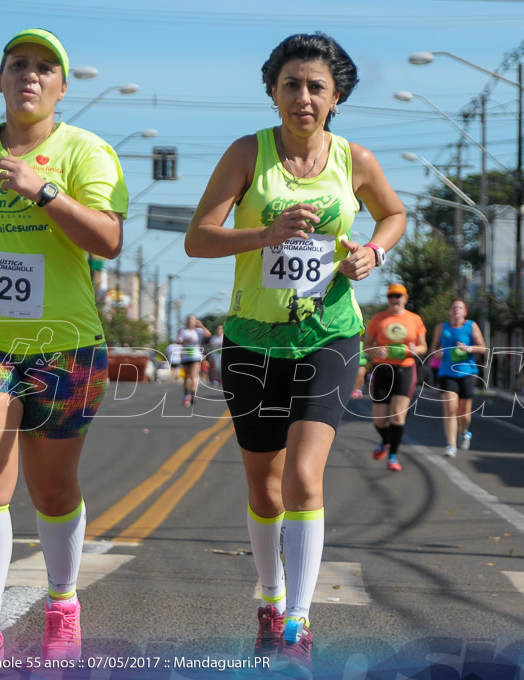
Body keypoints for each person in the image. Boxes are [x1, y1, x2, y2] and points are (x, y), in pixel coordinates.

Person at [183, 32, 405, 675]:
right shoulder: (246, 154)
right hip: (253, 337)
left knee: (306, 476)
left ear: (337, 98)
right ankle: (271, 598)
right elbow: (199, 239)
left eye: (316, 87)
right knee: (264, 484)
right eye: (291, 84)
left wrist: (373, 251)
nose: (302, 97)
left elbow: (393, 214)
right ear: (272, 91)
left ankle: (299, 622)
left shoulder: (354, 160)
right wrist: (265, 232)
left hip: (329, 333)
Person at [0, 28, 128, 663]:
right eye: (18, 66)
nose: (30, 77)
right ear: (2, 81)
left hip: (66, 344)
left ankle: (63, 603)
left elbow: (108, 240)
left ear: (61, 88)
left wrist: (42, 190)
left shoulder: (87, 152)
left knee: (54, 488)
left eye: (44, 69)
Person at [365, 283, 427, 472]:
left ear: (405, 299)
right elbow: (366, 346)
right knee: (379, 420)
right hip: (382, 370)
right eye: (391, 296)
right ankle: (386, 441)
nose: (394, 300)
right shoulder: (378, 318)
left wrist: (417, 350)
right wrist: (376, 349)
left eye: (398, 296)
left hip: (405, 370)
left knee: (398, 416)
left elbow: (424, 347)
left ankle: (393, 455)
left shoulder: (414, 319)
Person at [429, 299, 486, 458]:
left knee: (464, 413)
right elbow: (433, 347)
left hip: (467, 372)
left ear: (465, 311)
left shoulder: (471, 326)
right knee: (450, 409)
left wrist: (467, 348)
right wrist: (437, 352)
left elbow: (482, 347)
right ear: (449, 311)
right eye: (454, 307)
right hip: (446, 373)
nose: (456, 310)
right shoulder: (442, 327)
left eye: (460, 308)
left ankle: (464, 431)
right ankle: (451, 444)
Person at [177, 314, 211, 405]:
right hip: (185, 356)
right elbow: (179, 341)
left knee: (193, 376)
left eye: (192, 320)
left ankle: (193, 395)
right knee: (186, 377)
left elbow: (208, 334)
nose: (190, 321)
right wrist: (186, 340)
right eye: (189, 319)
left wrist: (201, 325)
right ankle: (185, 395)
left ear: (195, 321)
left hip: (195, 356)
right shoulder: (183, 331)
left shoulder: (199, 331)